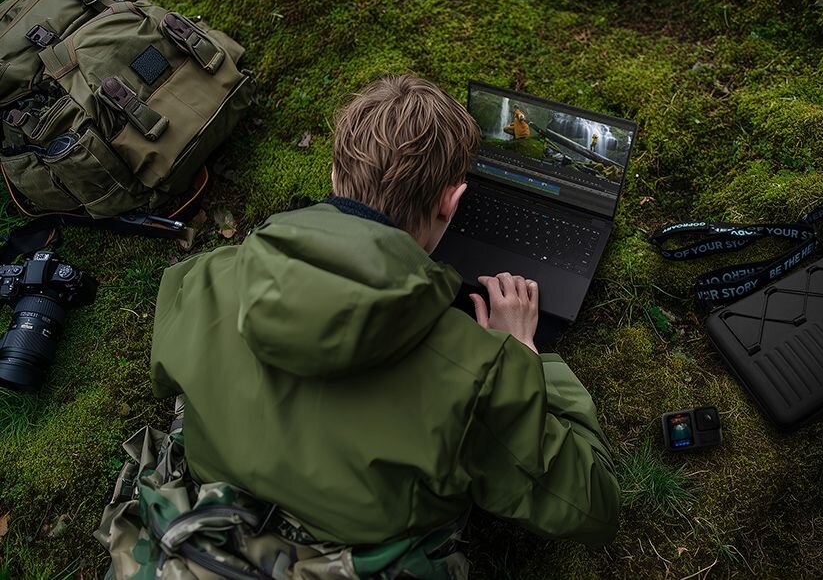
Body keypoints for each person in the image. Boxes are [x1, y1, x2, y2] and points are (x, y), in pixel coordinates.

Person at [149, 74, 621, 577]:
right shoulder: (480, 373)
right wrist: (522, 356)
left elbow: (164, 376)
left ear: (334, 173)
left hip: (209, 534)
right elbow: (593, 507)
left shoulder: (205, 276)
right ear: (451, 203)